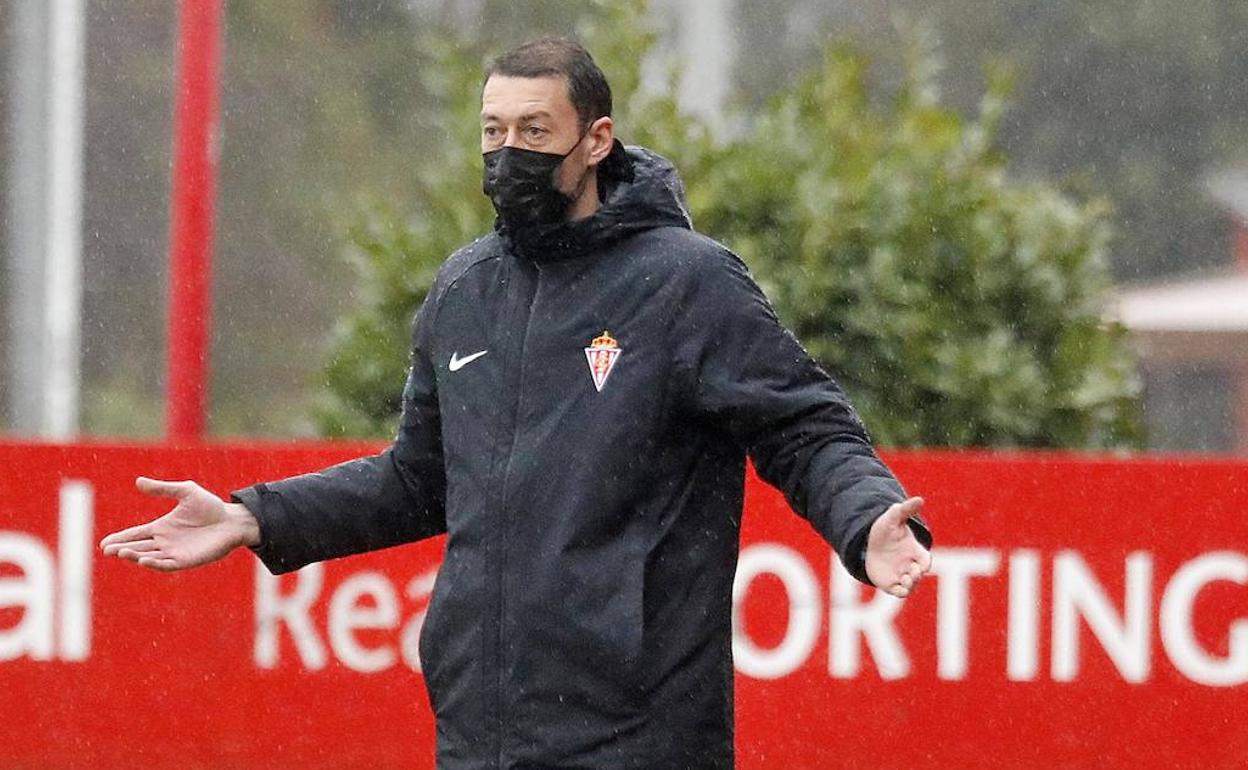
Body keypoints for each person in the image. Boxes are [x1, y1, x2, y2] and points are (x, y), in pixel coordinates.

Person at [100, 37, 933, 770]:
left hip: (639, 732)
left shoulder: (687, 282)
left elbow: (803, 426)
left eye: (535, 132)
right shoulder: (465, 290)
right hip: (482, 727)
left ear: (596, 140)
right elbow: (419, 481)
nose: (509, 154)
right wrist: (257, 518)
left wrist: (866, 518)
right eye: (493, 133)